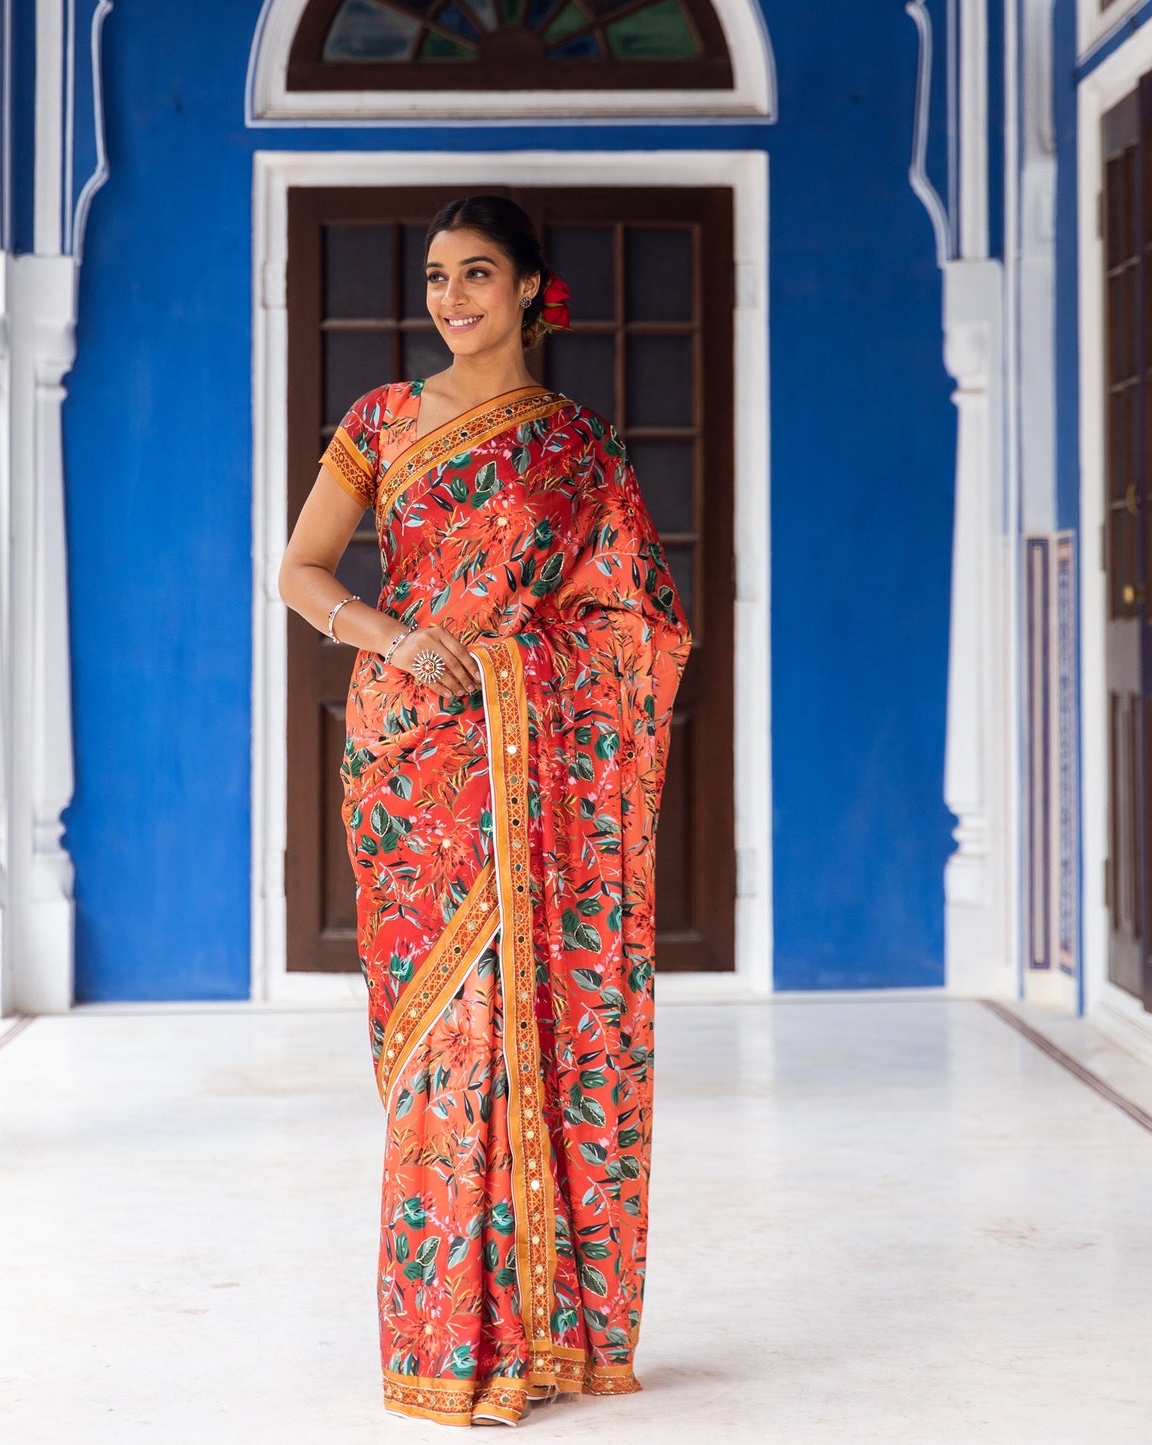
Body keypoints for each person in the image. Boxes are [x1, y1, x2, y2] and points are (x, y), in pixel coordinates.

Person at [277, 194, 692, 1428]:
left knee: (532, 1030)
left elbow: (637, 626)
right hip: (415, 767)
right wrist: (395, 633)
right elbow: (298, 570)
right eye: (437, 276)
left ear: (527, 290)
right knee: (440, 1047)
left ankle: (541, 1339)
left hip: (540, 770)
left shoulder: (576, 444)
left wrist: (524, 670)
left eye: (475, 274)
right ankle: (441, 1343)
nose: (450, 297)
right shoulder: (383, 420)